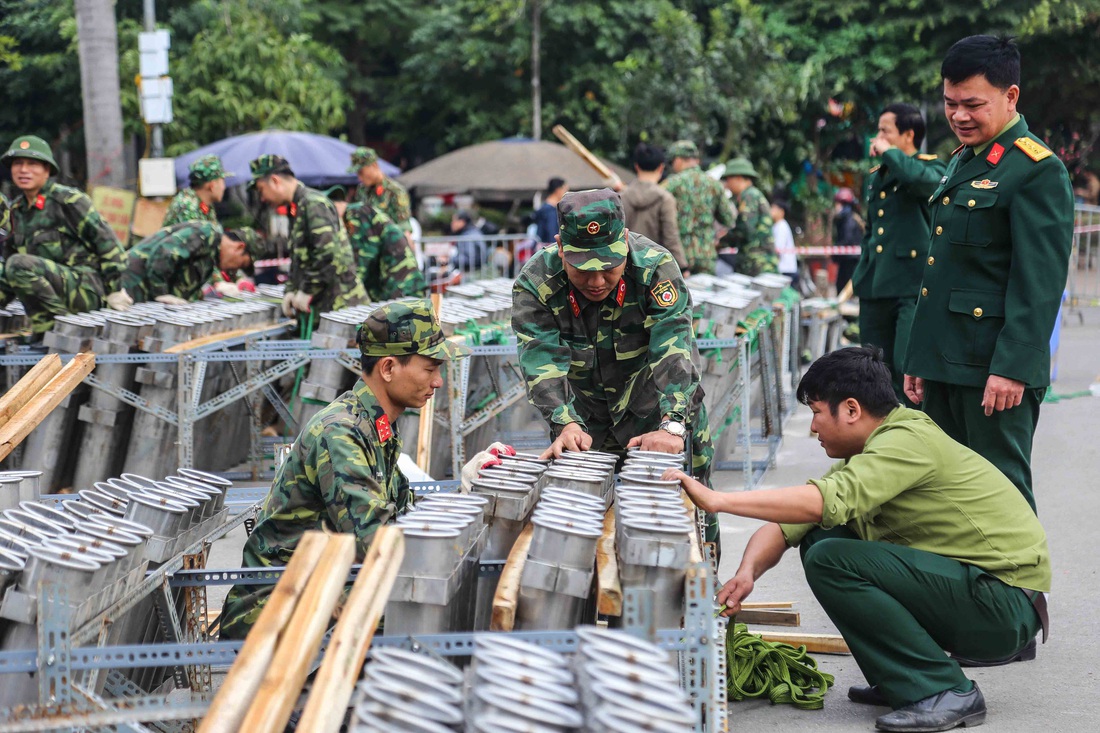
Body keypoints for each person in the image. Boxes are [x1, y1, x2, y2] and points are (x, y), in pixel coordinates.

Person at [669, 347, 1049, 732]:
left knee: (831, 558)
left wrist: (719, 501)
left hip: (1002, 605)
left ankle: (945, 690)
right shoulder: (874, 448)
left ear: (851, 409)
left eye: (817, 412)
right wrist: (747, 573)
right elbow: (789, 524)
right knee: (821, 536)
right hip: (978, 593)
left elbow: (824, 501)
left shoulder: (905, 442)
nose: (813, 428)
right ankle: (900, 678)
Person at [219, 299, 471, 638]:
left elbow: (401, 512)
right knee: (422, 611)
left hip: (318, 585)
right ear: (388, 368)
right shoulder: (342, 432)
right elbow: (376, 541)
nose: (438, 381)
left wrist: (467, 492)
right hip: (276, 607)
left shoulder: (372, 424)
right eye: (430, 369)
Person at [903, 35, 1075, 513]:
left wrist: (1012, 368)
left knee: (1000, 497)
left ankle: (1021, 591)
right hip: (946, 361)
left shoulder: (1036, 170)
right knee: (945, 498)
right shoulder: (963, 160)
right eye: (950, 103)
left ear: (1010, 96)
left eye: (973, 104)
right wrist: (920, 356)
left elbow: (1038, 283)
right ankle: (962, 590)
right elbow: (942, 272)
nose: (959, 116)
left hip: (994, 370)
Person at [511, 188, 717, 544]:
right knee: (586, 529)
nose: (596, 281)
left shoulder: (655, 268)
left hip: (661, 412)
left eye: (608, 266)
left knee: (689, 516)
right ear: (560, 246)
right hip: (585, 422)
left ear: (624, 241)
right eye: (582, 268)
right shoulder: (537, 284)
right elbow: (541, 359)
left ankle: (706, 590)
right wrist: (564, 421)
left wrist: (672, 425)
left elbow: (674, 351)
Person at [852, 104, 946, 404]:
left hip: (910, 285)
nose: (877, 137)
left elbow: (923, 183)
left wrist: (889, 153)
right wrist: (862, 273)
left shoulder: (931, 167)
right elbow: (872, 229)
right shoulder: (879, 174)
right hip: (876, 284)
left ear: (908, 135)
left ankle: (910, 434)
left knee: (907, 367)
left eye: (885, 131)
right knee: (872, 368)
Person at [0, 135, 127, 335]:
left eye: (32, 164)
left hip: (84, 288)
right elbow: (6, 268)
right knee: (7, 266)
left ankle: (54, 330)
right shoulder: (16, 210)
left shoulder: (69, 201)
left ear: (47, 170)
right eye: (18, 164)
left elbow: (108, 244)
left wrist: (115, 289)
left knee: (18, 264)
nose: (23, 170)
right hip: (49, 290)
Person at [249, 154, 366, 319]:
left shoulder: (313, 204)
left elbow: (327, 254)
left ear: (275, 181)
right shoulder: (297, 207)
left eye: (261, 190)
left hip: (342, 310)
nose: (262, 198)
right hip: (325, 310)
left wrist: (307, 290)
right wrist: (291, 289)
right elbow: (300, 259)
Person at [105, 222, 262, 308]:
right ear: (239, 247)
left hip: (143, 296)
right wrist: (161, 292)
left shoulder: (210, 258)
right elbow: (164, 253)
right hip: (131, 284)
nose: (234, 269)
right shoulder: (206, 233)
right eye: (241, 264)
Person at [663, 140, 736, 275]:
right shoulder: (714, 184)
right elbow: (728, 219)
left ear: (678, 159)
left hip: (679, 256)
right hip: (706, 255)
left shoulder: (671, 184)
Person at [621, 142, 687, 272]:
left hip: (624, 266)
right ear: (661, 168)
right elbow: (670, 237)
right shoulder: (665, 199)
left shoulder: (621, 197)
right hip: (654, 267)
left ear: (636, 166)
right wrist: (683, 267)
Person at [343, 201, 427, 300]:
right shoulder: (360, 212)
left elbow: (364, 258)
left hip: (403, 287)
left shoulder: (356, 215)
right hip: (396, 286)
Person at [719, 158, 780, 276]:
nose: (727, 185)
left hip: (757, 264)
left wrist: (722, 242)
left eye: (728, 180)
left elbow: (745, 229)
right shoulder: (750, 195)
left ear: (739, 178)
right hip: (758, 263)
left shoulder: (749, 196)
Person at [348, 147, 412, 232]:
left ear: (374, 165)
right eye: (357, 173)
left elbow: (404, 229)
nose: (360, 178)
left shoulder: (395, 191)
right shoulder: (362, 190)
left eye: (361, 172)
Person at [162, 154, 229, 228]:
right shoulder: (187, 206)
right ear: (212, 185)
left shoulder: (203, 205)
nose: (223, 187)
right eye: (222, 181)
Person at [831, 188, 864, 293]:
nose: (836, 207)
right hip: (847, 260)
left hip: (851, 261)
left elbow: (846, 240)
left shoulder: (849, 220)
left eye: (837, 204)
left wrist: (835, 250)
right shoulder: (846, 219)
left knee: (844, 289)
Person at [770, 199, 798, 287]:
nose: (771, 211)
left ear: (781, 212)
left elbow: (778, 248)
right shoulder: (777, 226)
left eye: (773, 209)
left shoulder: (781, 226)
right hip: (784, 269)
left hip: (785, 269)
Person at [534, 177, 567, 244]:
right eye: (565, 190)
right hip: (550, 246)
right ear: (558, 190)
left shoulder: (544, 208)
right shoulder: (549, 211)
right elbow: (551, 232)